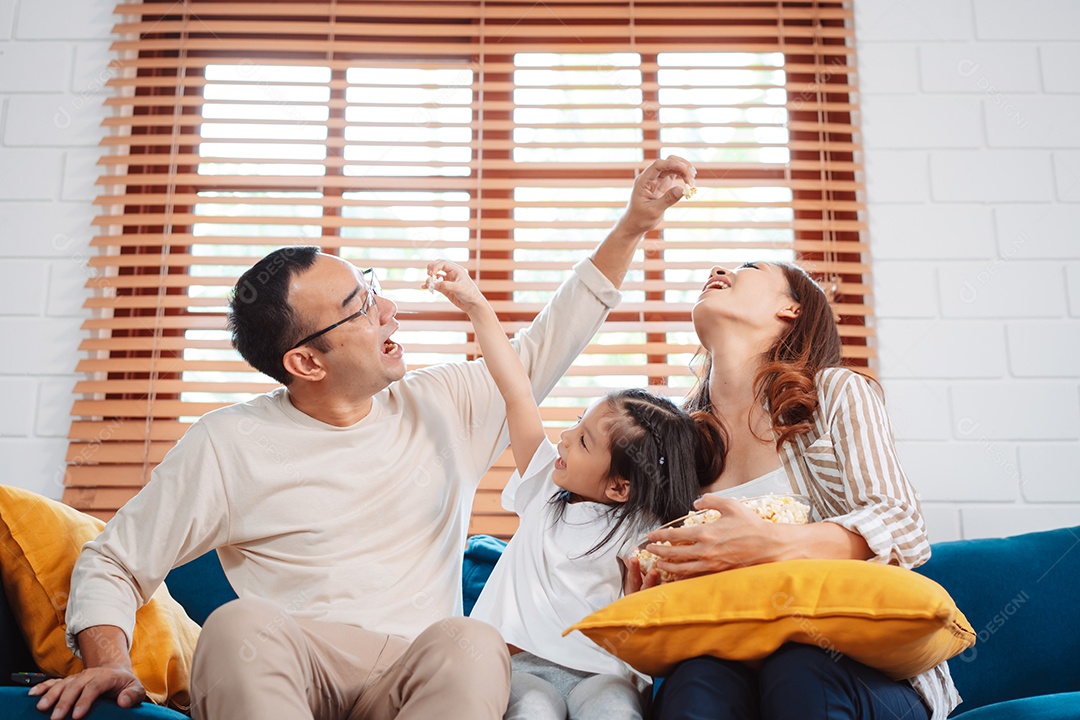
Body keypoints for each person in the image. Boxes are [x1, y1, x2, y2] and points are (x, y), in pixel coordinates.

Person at [30, 155, 698, 720]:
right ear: (306, 363)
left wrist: (635, 224)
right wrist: (109, 663)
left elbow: (549, 342)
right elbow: (113, 561)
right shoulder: (227, 444)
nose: (389, 310)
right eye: (359, 307)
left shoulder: (443, 403)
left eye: (370, 287)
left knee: (471, 641)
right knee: (234, 626)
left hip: (415, 671)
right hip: (293, 665)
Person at [627, 261, 959, 720]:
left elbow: (902, 523)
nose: (718, 268)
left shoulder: (835, 392)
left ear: (791, 308)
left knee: (801, 670)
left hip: (857, 668)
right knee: (694, 683)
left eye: (748, 266)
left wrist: (773, 545)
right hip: (729, 655)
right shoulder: (679, 441)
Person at [425, 260, 725, 720]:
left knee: (614, 713)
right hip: (519, 666)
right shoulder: (545, 485)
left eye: (583, 440)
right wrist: (474, 303)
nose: (563, 439)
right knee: (534, 712)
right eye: (576, 427)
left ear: (622, 486)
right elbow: (517, 391)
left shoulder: (650, 536)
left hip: (604, 675)